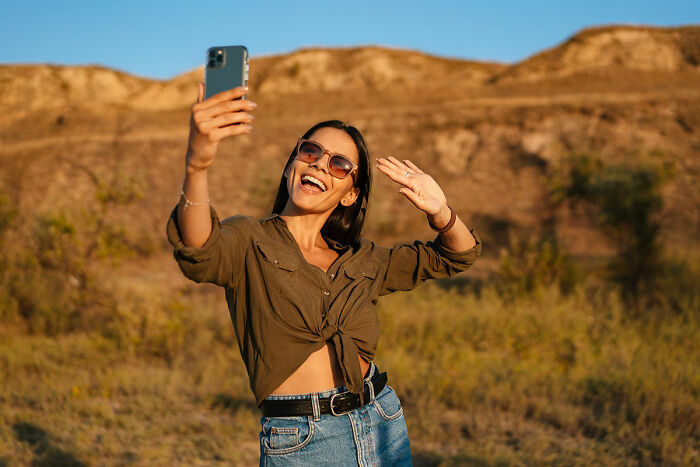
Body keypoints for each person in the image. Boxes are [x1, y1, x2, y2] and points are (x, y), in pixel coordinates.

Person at [166, 84, 482, 466]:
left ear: (350, 194)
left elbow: (456, 256)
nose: (319, 164)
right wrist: (197, 165)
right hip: (302, 441)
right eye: (311, 151)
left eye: (339, 164)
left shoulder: (363, 259)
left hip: (382, 422)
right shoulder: (249, 238)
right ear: (292, 164)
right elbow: (199, 249)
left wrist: (441, 210)